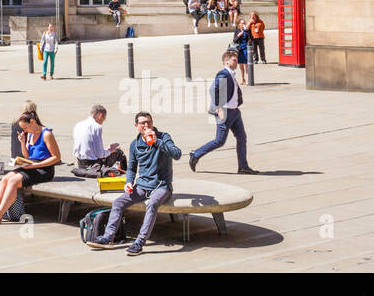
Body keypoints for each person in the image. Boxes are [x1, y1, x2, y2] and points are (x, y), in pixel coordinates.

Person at [90, 111, 181, 255]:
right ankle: (108, 238)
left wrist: (156, 141)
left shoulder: (163, 137)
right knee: (118, 203)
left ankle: (139, 242)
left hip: (162, 186)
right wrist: (129, 182)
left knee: (152, 204)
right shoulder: (135, 145)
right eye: (142, 123)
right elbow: (131, 168)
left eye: (149, 122)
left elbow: (177, 154)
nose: (146, 125)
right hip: (142, 186)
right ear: (136, 126)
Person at [0, 110, 60, 225]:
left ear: (32, 122)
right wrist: (22, 142)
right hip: (30, 165)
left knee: (13, 182)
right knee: (5, 179)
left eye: (25, 128)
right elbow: (27, 156)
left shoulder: (46, 134)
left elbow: (56, 157)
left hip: (44, 169)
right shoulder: (30, 134)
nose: (25, 131)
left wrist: (35, 165)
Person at [189, 49, 258, 175]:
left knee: (242, 138)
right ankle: (195, 154)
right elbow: (213, 90)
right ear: (226, 61)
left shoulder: (231, 74)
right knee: (219, 141)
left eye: (237, 60)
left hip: (235, 112)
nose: (237, 62)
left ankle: (243, 167)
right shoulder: (223, 74)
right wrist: (219, 108)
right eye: (234, 60)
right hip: (225, 112)